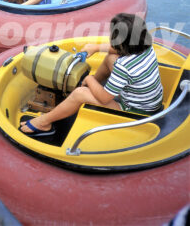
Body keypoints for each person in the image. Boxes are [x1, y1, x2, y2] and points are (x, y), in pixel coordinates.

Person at [20, 13, 163, 136]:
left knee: (80, 93)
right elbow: (119, 51)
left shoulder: (124, 67)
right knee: (110, 58)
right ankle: (93, 85)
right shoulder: (146, 47)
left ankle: (43, 123)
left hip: (136, 112)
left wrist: (89, 79)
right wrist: (96, 47)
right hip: (151, 103)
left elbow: (104, 98)